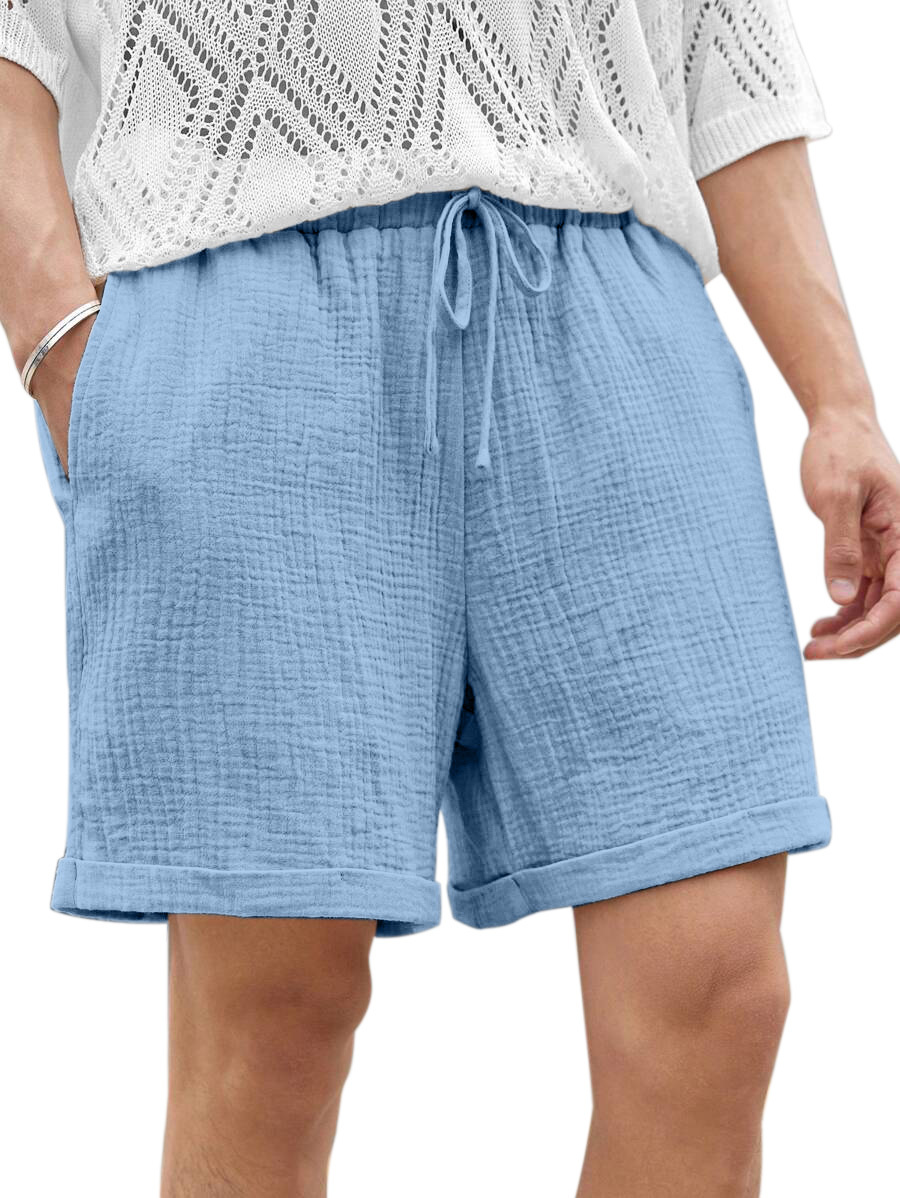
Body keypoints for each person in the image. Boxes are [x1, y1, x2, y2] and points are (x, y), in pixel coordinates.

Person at [1, 3, 897, 1195]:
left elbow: (722, 53)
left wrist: (840, 400)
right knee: (276, 1016)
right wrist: (61, 346)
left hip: (616, 309)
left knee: (718, 989)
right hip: (248, 313)